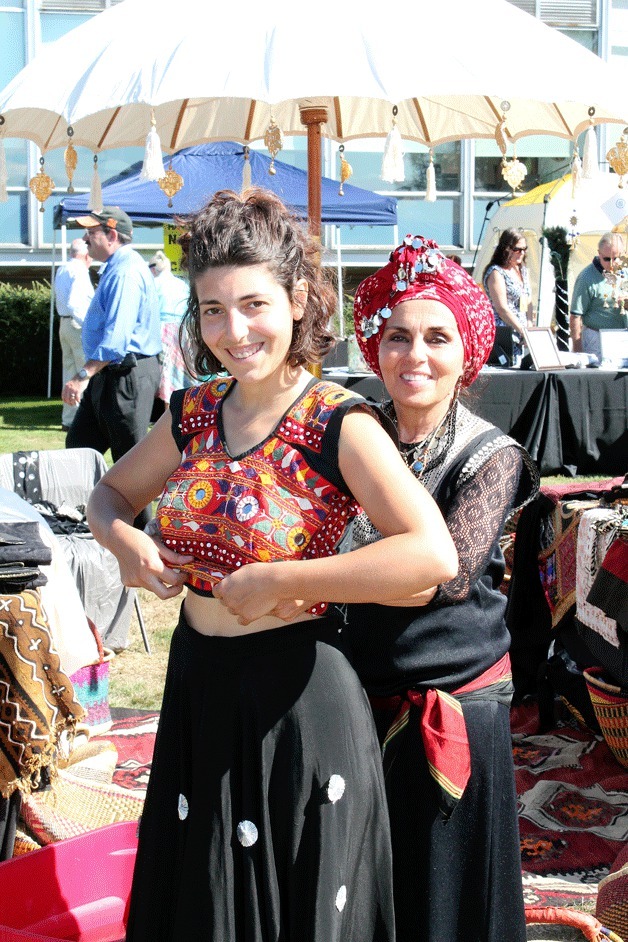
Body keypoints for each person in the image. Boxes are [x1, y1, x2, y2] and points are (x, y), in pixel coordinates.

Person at [86, 190, 458, 942]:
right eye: (213, 310)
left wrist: (283, 580)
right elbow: (110, 493)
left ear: (297, 299)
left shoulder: (336, 420)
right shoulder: (193, 412)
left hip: (297, 701)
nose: (233, 330)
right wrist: (127, 544)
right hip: (199, 686)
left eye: (253, 304)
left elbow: (431, 555)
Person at [343, 236, 539, 942]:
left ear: (468, 353)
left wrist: (309, 577)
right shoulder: (354, 435)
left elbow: (444, 576)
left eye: (436, 337)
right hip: (355, 694)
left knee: (443, 898)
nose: (414, 355)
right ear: (376, 349)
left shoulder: (492, 455)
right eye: (397, 337)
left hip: (450, 701)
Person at [62, 206, 162, 529]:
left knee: (131, 465)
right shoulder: (117, 268)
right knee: (78, 447)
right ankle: (87, 521)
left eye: (92, 233)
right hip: (113, 375)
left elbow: (116, 339)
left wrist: (82, 375)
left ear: (112, 235)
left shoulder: (125, 272)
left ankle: (146, 546)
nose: (86, 239)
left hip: (126, 376)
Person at [54, 238, 94, 430]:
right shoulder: (79, 271)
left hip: (64, 322)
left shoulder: (62, 269)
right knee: (83, 373)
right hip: (77, 324)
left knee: (69, 371)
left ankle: (68, 419)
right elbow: (75, 303)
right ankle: (82, 420)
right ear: (85, 255)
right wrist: (88, 325)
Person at [148, 249, 196, 405]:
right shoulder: (181, 284)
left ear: (154, 268)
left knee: (166, 376)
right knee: (181, 374)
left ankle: (167, 414)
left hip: (162, 332)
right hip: (184, 330)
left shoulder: (153, 284)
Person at [570, 231, 627, 358]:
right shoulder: (586, 278)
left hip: (623, 339)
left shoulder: (625, 272)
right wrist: (578, 352)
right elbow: (575, 316)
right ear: (599, 254)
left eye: (616, 258)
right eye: (607, 259)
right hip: (596, 340)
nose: (612, 264)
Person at [483, 228, 535, 366]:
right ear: (506, 249)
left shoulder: (523, 270)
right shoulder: (496, 272)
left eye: (524, 249)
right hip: (504, 333)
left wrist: (529, 325)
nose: (522, 253)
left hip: (521, 332)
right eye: (518, 249)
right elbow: (502, 308)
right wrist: (522, 330)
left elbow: (528, 300)